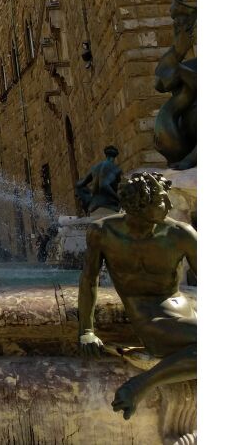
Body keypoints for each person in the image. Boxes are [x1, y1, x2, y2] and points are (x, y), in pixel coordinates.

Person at [78, 171, 196, 420]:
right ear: (143, 204)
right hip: (151, 320)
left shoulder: (180, 234)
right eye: (163, 201)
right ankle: (138, 386)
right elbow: (89, 279)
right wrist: (86, 331)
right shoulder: (103, 232)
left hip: (183, 311)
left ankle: (141, 383)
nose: (171, 206)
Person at [74, 145, 122, 214]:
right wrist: (118, 199)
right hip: (108, 207)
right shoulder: (115, 168)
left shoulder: (94, 168)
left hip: (93, 207)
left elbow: (79, 185)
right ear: (115, 156)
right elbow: (103, 185)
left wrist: (86, 196)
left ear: (106, 155)